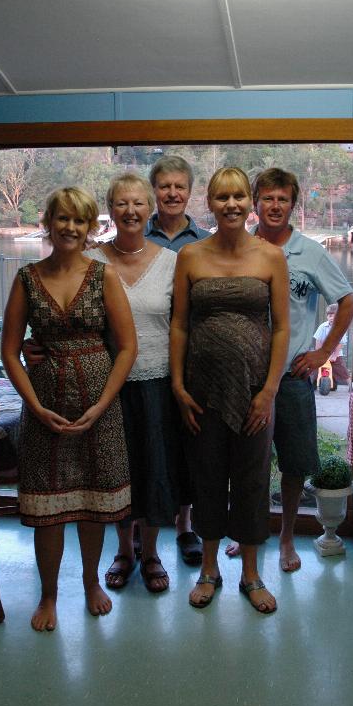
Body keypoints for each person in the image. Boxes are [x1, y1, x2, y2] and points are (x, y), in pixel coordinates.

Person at [1, 186, 137, 632]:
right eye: (63, 219)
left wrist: (102, 405)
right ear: (49, 222)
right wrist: (35, 407)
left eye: (80, 221)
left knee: (94, 502)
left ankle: (92, 582)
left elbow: (127, 347)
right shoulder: (26, 277)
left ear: (90, 226)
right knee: (48, 508)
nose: (71, 228)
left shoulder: (104, 276)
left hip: (98, 409)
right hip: (46, 410)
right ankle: (48, 594)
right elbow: (8, 352)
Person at [170, 167, 290, 613]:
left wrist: (269, 390)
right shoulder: (191, 256)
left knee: (252, 479)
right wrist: (179, 384)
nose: (232, 204)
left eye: (239, 196)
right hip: (201, 390)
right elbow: (180, 324)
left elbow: (280, 330)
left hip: (256, 389)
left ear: (250, 201)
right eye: (222, 197)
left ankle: (252, 574)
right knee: (206, 476)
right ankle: (208, 569)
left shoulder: (270, 257)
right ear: (211, 203)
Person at [225, 168, 353, 572]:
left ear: (293, 205)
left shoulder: (309, 252)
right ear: (254, 204)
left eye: (283, 198)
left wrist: (323, 353)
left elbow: (348, 302)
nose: (275, 205)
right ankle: (249, 534)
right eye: (267, 198)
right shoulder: (241, 248)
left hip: (292, 379)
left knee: (295, 465)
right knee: (249, 465)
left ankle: (286, 540)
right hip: (246, 380)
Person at [87, 172, 184, 593]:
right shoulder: (91, 261)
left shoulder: (171, 262)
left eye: (138, 203)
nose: (130, 211)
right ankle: (124, 551)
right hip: (107, 385)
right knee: (117, 471)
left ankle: (151, 553)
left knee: (154, 470)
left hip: (157, 383)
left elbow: (182, 325)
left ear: (151, 209)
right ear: (110, 209)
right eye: (121, 203)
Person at [145, 155, 210, 565]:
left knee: (189, 443)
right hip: (145, 355)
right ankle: (140, 528)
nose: (172, 193)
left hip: (193, 358)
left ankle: (186, 528)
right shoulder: (135, 236)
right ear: (155, 190)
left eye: (179, 187)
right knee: (148, 442)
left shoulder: (205, 242)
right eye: (164, 186)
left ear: (190, 192)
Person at [313, 303, 351, 388]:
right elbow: (318, 340)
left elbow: (340, 343)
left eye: (334, 316)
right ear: (327, 317)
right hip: (323, 352)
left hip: (335, 353)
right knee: (314, 366)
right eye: (330, 316)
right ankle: (312, 384)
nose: (332, 318)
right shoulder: (323, 327)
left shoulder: (341, 327)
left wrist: (334, 355)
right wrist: (318, 354)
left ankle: (350, 385)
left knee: (341, 368)